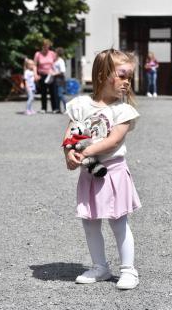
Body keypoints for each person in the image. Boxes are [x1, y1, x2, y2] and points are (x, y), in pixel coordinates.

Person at [63, 49, 141, 290]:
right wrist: (69, 152)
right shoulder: (80, 105)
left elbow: (114, 140)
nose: (127, 81)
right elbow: (71, 134)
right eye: (122, 75)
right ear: (102, 75)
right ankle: (100, 267)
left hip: (114, 173)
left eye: (130, 77)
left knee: (118, 222)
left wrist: (86, 152)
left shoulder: (123, 110)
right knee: (90, 223)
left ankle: (129, 270)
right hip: (89, 174)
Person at [34, 39, 59, 113]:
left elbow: (56, 63)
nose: (46, 48)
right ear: (42, 46)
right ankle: (43, 108)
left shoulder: (52, 53)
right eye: (45, 46)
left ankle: (55, 108)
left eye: (48, 46)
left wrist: (55, 72)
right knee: (43, 92)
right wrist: (35, 74)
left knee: (53, 92)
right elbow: (35, 65)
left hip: (51, 75)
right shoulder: (38, 54)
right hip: (42, 75)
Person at [53, 47, 67, 111]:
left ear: (57, 53)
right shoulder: (56, 60)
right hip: (56, 79)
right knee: (56, 94)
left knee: (60, 94)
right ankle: (58, 109)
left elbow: (62, 71)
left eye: (55, 52)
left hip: (60, 79)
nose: (54, 53)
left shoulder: (60, 61)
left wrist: (54, 74)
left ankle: (67, 108)